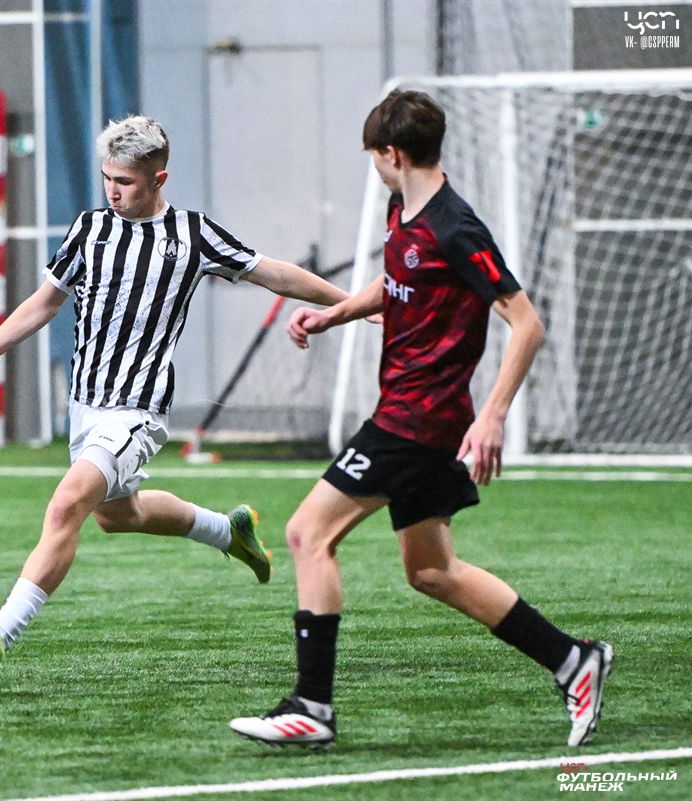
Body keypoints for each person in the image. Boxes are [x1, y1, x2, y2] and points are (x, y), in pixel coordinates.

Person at [228, 90, 612, 750]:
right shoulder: (401, 209)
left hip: (417, 419)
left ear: (393, 153)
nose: (374, 167)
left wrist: (493, 416)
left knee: (306, 534)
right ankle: (574, 661)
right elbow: (398, 283)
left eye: (374, 156)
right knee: (432, 571)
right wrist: (335, 313)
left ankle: (311, 706)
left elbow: (526, 322)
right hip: (414, 416)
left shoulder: (456, 228)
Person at [0, 115, 350, 678]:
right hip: (86, 408)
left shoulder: (193, 234)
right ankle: (229, 531)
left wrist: (352, 305)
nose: (112, 190)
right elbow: (44, 302)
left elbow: (272, 273)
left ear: (158, 179)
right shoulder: (89, 229)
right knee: (116, 515)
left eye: (124, 181)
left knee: (66, 505)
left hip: (137, 412)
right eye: (107, 178)